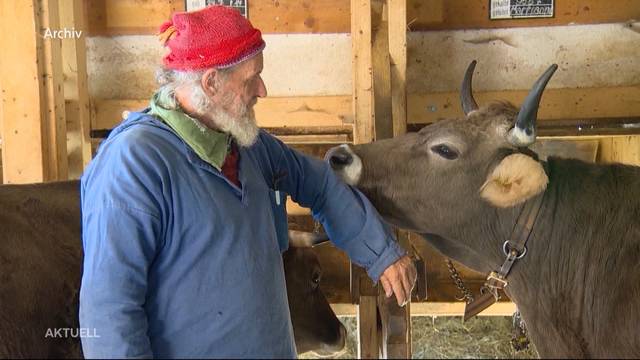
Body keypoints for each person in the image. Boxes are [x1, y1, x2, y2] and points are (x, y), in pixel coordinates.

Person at [79, 5, 416, 358]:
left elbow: (318, 183)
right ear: (211, 82)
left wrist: (381, 252)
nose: (263, 89)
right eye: (251, 78)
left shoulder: (244, 143)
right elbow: (109, 312)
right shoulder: (135, 164)